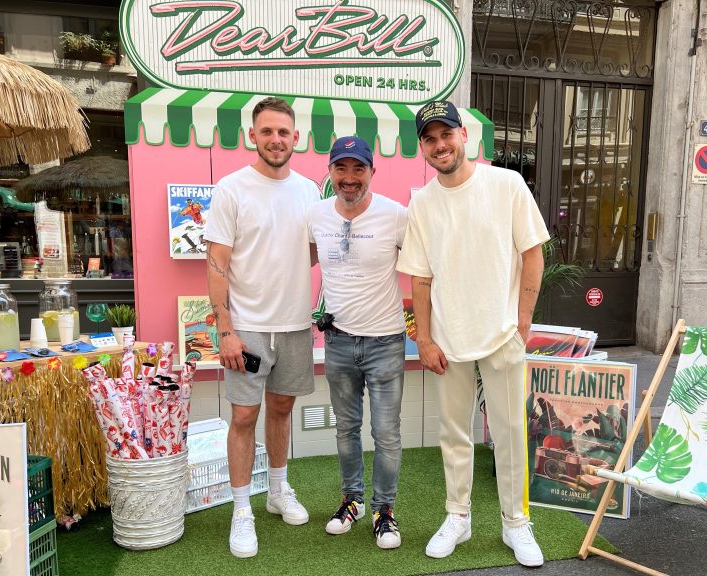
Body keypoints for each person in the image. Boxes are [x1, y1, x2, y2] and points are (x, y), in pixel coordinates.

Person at [396, 100, 549, 567]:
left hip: (502, 333)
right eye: (430, 138)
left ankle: (515, 523)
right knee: (454, 433)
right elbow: (419, 278)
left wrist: (521, 321)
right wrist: (423, 338)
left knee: (509, 432)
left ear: (465, 135)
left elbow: (532, 253)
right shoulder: (421, 203)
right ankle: (457, 517)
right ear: (421, 146)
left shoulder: (506, 184)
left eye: (447, 134)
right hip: (448, 337)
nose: (440, 145)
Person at [204, 97, 320, 559]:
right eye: (267, 131)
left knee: (281, 409)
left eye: (284, 132)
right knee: (244, 416)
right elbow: (216, 263)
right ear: (252, 135)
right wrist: (225, 329)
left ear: (297, 138)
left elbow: (313, 251)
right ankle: (240, 510)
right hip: (247, 328)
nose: (276, 139)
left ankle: (277, 490)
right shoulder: (232, 188)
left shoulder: (310, 190)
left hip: (294, 325)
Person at [307, 136, 408, 549]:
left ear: (371, 172)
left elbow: (423, 268)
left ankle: (385, 512)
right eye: (341, 168)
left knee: (386, 433)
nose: (349, 178)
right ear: (330, 172)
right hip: (339, 341)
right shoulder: (315, 215)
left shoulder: (396, 215)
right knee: (346, 430)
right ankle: (353, 501)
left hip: (386, 341)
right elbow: (299, 260)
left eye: (358, 169)